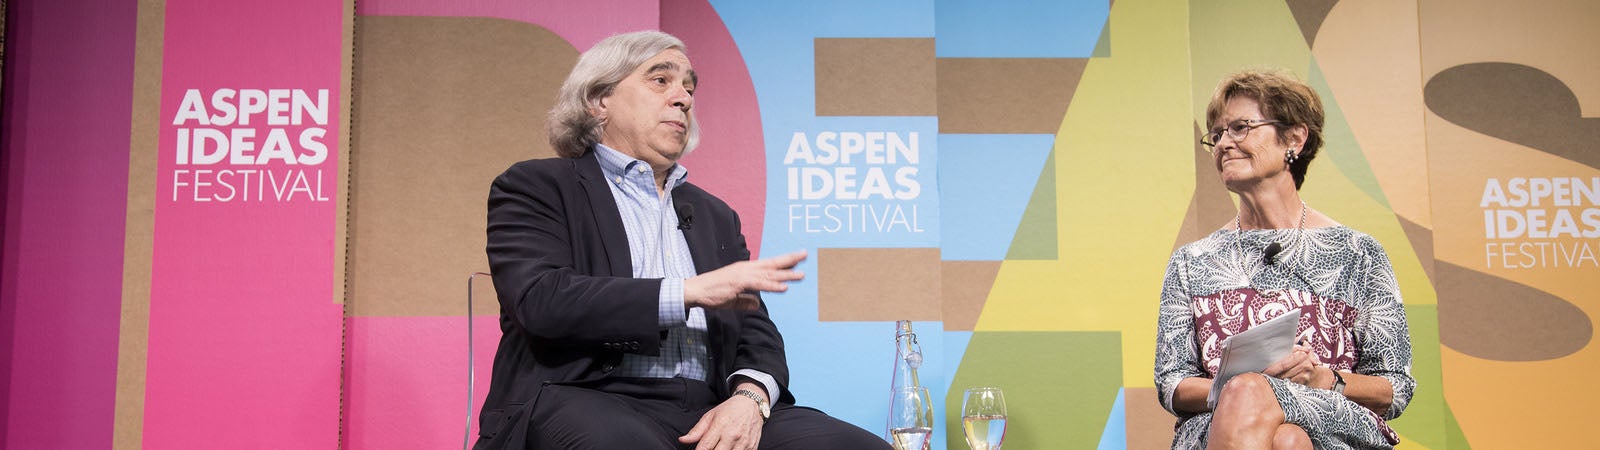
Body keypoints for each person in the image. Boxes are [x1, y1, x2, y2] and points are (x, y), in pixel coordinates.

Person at [474, 30, 889, 450]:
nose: (683, 99)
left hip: (708, 408)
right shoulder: (537, 186)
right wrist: (687, 292)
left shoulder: (715, 215)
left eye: (689, 88)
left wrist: (749, 399)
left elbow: (755, 332)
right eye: (661, 80)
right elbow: (542, 300)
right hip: (583, 395)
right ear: (599, 100)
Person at [1153, 69, 1416, 449]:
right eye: (1217, 134)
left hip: (1332, 422)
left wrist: (1323, 379)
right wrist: (1241, 386)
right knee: (1287, 439)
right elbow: (1172, 383)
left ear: (1294, 138)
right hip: (1218, 424)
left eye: (1240, 128)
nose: (1224, 143)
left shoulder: (1357, 254)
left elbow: (1394, 387)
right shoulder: (1191, 262)